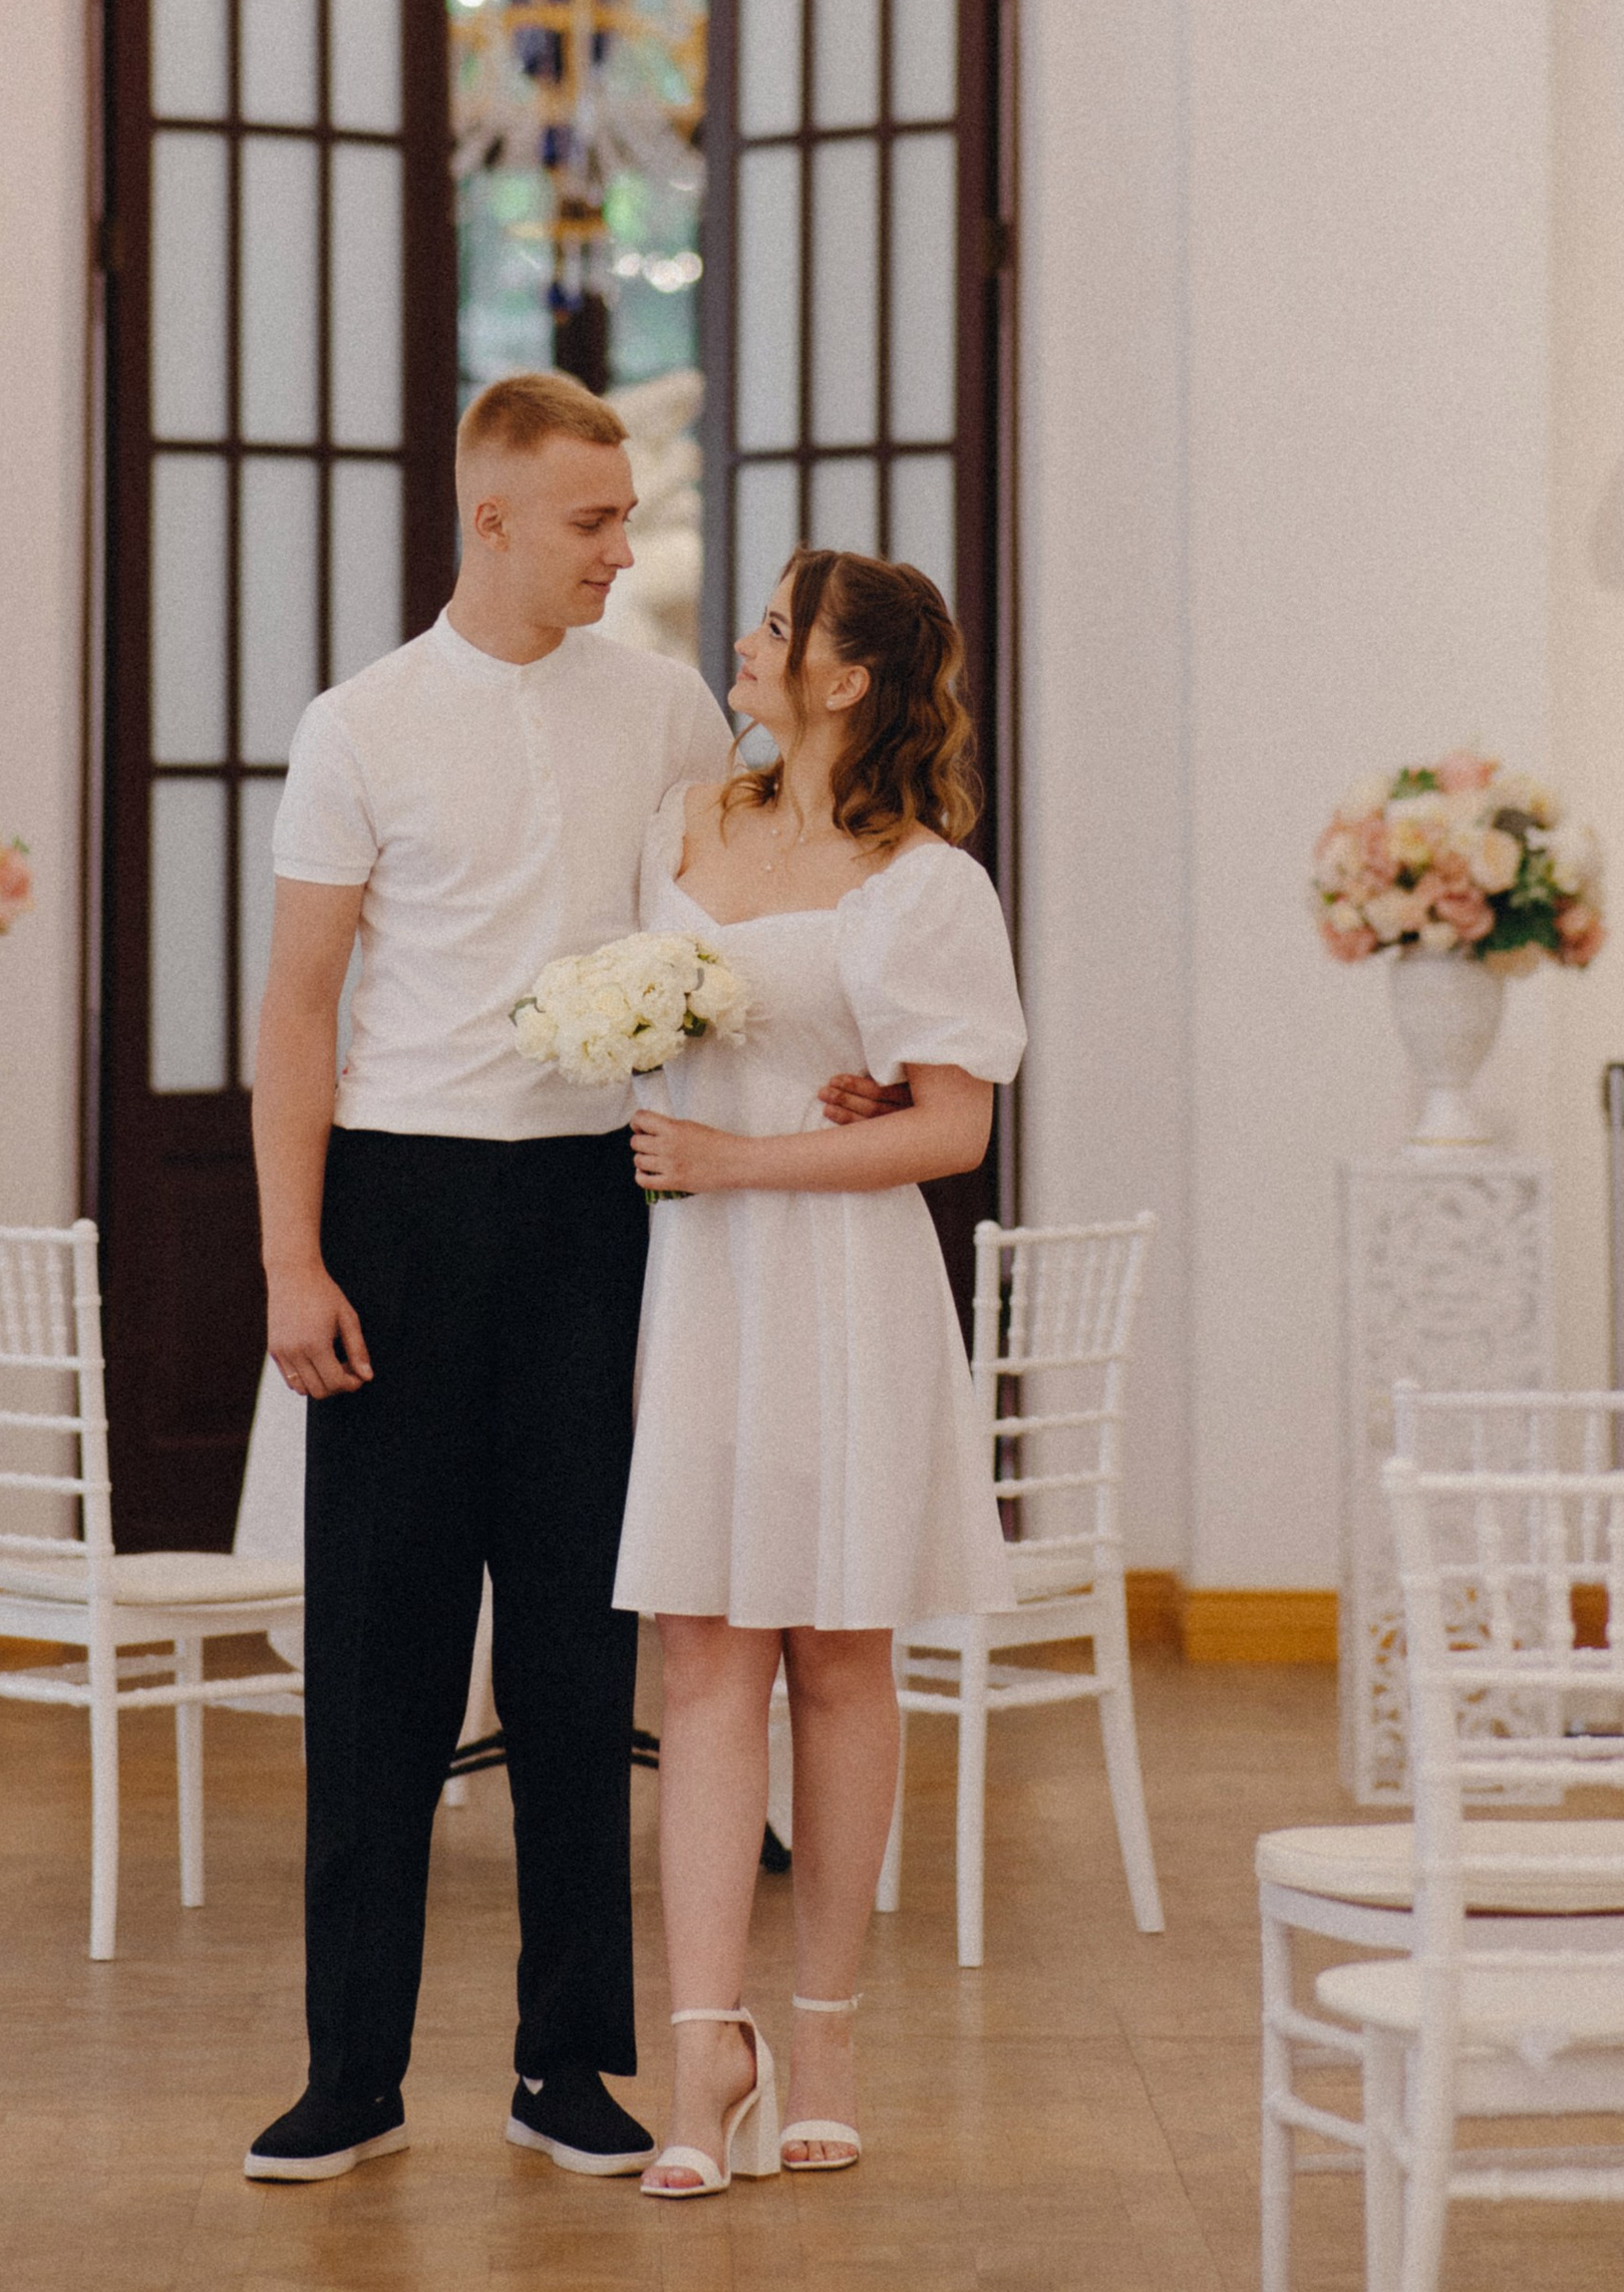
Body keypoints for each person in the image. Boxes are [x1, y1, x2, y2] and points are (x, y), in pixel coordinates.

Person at [240, 369, 736, 2186]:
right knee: (378, 1651)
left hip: (599, 1212)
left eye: (626, 515)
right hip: (399, 1208)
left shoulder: (673, 708)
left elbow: (740, 926)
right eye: (595, 520)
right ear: (497, 518)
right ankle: (351, 2070)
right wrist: (292, 1258)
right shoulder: (361, 724)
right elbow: (297, 1011)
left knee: (572, 1645)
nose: (624, 547)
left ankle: (565, 2065)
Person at [616, 545, 1027, 2197]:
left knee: (843, 1659)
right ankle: (699, 2052)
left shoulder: (928, 881)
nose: (746, 637)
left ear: (844, 678)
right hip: (699, 1287)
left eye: (778, 624)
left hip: (838, 1280)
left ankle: (829, 2032)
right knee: (707, 1660)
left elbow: (953, 1120)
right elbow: (639, 1012)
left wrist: (742, 1156)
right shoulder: (687, 827)